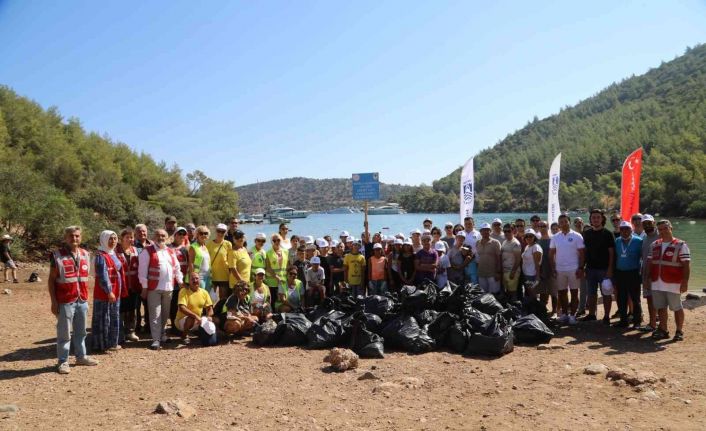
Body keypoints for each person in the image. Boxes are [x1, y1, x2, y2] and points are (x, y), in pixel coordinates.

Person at [49, 226, 99, 374]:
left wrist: (86, 298)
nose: (74, 238)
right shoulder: (57, 255)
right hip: (65, 300)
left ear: (81, 237)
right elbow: (51, 280)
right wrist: (53, 301)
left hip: (82, 299)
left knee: (81, 331)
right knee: (64, 333)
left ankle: (81, 356)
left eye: (77, 236)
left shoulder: (85, 254)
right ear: (65, 238)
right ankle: (63, 361)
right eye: (71, 236)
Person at [138, 229, 184, 350]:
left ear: (167, 237)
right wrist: (144, 287)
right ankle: (155, 340)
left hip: (169, 287)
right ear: (153, 236)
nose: (161, 237)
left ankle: (162, 334)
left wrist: (180, 281)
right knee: (155, 314)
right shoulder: (147, 251)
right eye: (158, 235)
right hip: (154, 288)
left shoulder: (170, 251)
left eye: (163, 235)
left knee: (165, 314)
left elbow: (177, 268)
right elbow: (142, 271)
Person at [647, 220, 690, 341]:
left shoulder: (681, 245)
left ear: (671, 228)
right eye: (660, 229)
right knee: (660, 307)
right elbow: (650, 263)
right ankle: (663, 329)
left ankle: (679, 331)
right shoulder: (654, 244)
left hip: (673, 282)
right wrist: (647, 278)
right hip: (657, 281)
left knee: (677, 307)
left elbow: (686, 264)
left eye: (665, 228)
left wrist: (685, 281)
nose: (663, 231)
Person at [91, 230, 125, 353]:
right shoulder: (100, 256)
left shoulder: (113, 253)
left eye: (115, 238)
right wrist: (109, 291)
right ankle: (101, 345)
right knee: (103, 319)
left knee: (113, 317)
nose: (113, 241)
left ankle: (112, 343)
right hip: (104, 293)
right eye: (110, 239)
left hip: (115, 291)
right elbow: (102, 276)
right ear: (104, 239)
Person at [550, 214, 585, 326]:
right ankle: (564, 314)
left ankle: (572, 315)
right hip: (560, 269)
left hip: (574, 269)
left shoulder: (577, 236)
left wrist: (580, 267)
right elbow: (551, 254)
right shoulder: (555, 237)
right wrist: (553, 268)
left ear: (569, 222)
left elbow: (582, 254)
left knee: (574, 293)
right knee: (562, 293)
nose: (563, 224)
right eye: (561, 222)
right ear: (559, 224)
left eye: (565, 221)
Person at [581, 209, 615, 324]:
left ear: (602, 219)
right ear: (590, 219)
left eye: (598, 217)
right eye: (593, 217)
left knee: (606, 292)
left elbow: (611, 253)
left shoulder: (608, 234)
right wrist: (583, 266)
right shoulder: (587, 233)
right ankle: (591, 314)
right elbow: (585, 252)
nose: (595, 219)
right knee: (591, 293)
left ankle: (606, 316)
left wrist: (610, 269)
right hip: (590, 268)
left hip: (604, 269)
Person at [614, 221, 643, 328]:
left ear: (631, 230)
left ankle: (637, 322)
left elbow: (643, 258)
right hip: (620, 273)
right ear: (620, 231)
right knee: (621, 298)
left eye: (627, 229)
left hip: (634, 273)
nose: (624, 231)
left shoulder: (639, 241)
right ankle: (623, 321)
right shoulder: (617, 241)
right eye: (622, 229)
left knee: (635, 299)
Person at [174, 272, 216, 346]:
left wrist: (209, 317)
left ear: (199, 280)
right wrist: (196, 316)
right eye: (192, 279)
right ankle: (184, 336)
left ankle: (200, 333)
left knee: (214, 320)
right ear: (189, 281)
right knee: (191, 318)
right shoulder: (183, 291)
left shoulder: (204, 292)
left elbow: (210, 308)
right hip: (181, 320)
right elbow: (182, 308)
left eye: (197, 278)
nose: (195, 280)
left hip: (197, 320)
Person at [116, 228, 141, 342]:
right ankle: (120, 333)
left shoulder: (135, 250)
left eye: (132, 237)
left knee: (132, 310)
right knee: (121, 310)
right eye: (127, 237)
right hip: (121, 285)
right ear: (121, 239)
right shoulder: (116, 251)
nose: (130, 239)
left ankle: (130, 331)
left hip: (134, 285)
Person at [639, 214, 659, 332]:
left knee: (660, 300)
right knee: (650, 299)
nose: (647, 225)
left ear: (654, 222)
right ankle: (652, 323)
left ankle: (661, 324)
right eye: (644, 223)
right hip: (646, 274)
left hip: (659, 273)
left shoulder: (661, 234)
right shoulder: (644, 238)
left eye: (649, 222)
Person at [168, 227, 190, 332]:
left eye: (183, 235)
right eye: (179, 234)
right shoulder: (168, 248)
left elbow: (190, 265)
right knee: (172, 305)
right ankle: (173, 325)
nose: (181, 236)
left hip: (183, 281)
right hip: (172, 281)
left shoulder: (186, 249)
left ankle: (182, 325)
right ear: (175, 235)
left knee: (182, 304)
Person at [537, 221, 558, 317]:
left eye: (544, 226)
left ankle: (554, 311)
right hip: (542, 269)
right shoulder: (537, 240)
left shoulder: (553, 240)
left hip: (552, 268)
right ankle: (542, 309)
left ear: (548, 227)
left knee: (553, 291)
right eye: (540, 226)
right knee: (542, 291)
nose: (542, 228)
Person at [207, 224, 232, 300]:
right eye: (219, 231)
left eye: (223, 231)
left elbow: (231, 259)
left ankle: (221, 312)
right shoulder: (209, 244)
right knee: (211, 299)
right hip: (212, 276)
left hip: (224, 275)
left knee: (223, 299)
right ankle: (212, 312)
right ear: (216, 231)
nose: (220, 233)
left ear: (226, 232)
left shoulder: (228, 244)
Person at [188, 225, 213, 300]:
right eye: (201, 233)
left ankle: (205, 312)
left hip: (208, 277)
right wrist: (193, 276)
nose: (203, 235)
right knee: (199, 298)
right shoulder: (193, 246)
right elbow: (191, 262)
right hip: (199, 277)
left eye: (205, 233)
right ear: (197, 235)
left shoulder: (205, 247)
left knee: (206, 298)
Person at [476, 223, 502, 294]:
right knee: (483, 294)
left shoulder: (496, 243)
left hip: (493, 274)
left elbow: (499, 258)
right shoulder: (477, 243)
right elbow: (478, 258)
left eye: (487, 230)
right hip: (481, 273)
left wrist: (498, 272)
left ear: (490, 231)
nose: (485, 232)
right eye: (483, 230)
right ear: (480, 232)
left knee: (494, 294)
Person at [265, 233, 288, 308]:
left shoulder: (286, 252)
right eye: (274, 240)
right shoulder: (268, 253)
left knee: (283, 300)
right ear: (272, 242)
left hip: (283, 280)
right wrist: (276, 277)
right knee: (273, 300)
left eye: (278, 240)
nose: (277, 242)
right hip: (272, 282)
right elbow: (268, 267)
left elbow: (288, 265)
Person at [500, 223, 522, 301]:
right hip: (505, 270)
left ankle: (515, 308)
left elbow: (518, 259)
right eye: (504, 231)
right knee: (508, 291)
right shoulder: (505, 241)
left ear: (513, 231)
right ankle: (510, 307)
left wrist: (513, 271)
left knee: (513, 292)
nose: (506, 233)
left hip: (512, 271)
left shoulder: (515, 243)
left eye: (508, 231)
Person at [521, 229, 543, 298]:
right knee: (529, 292)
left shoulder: (536, 248)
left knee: (533, 293)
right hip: (526, 274)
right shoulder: (527, 246)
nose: (528, 238)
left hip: (531, 275)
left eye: (531, 236)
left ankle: (536, 307)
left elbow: (538, 263)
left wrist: (537, 277)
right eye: (526, 236)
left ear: (534, 237)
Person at [462, 217, 481, 284]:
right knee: (465, 278)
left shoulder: (478, 234)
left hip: (475, 260)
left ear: (473, 224)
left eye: (470, 223)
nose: (468, 225)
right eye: (466, 224)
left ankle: (474, 293)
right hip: (463, 259)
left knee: (474, 279)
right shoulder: (461, 233)